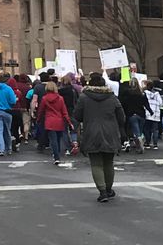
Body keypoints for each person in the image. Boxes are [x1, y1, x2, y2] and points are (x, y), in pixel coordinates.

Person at [72, 72, 127, 201]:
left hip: (91, 132)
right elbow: (121, 117)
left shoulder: (84, 97)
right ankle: (109, 189)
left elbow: (77, 116)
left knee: (96, 163)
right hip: (110, 132)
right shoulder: (112, 97)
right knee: (109, 162)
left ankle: (102, 191)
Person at [36, 78, 74, 165]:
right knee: (58, 139)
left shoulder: (45, 99)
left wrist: (38, 119)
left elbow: (41, 111)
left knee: (53, 140)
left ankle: (56, 156)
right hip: (59, 121)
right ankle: (57, 154)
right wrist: (69, 122)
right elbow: (64, 112)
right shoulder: (60, 98)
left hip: (49, 121)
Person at [118, 76, 146, 150]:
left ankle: (139, 144)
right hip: (141, 114)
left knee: (135, 131)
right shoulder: (142, 94)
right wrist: (151, 111)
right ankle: (140, 141)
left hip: (132, 114)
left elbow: (124, 104)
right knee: (140, 131)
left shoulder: (128, 94)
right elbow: (146, 104)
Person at [143, 80, 163, 148]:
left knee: (147, 129)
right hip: (156, 114)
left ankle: (147, 143)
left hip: (147, 113)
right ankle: (155, 144)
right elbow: (161, 103)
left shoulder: (145, 93)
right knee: (155, 130)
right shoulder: (157, 94)